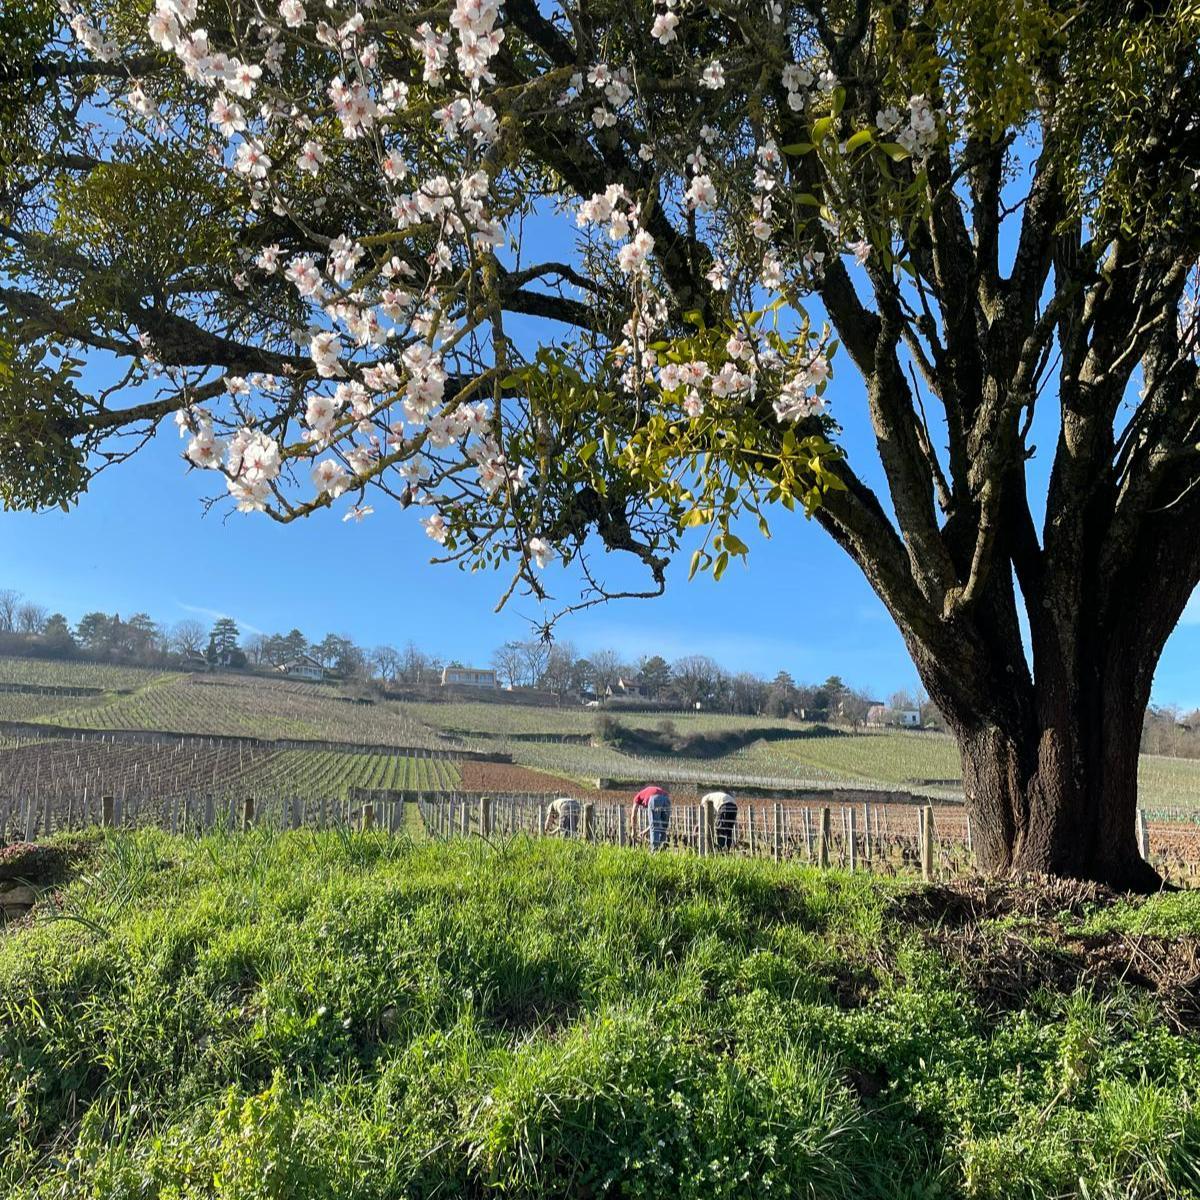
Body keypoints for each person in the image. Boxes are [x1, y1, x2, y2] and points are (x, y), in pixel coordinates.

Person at [631, 784, 671, 851]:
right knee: (662, 827)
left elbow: (633, 816)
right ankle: (662, 851)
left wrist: (633, 831)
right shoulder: (646, 792)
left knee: (655, 829)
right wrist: (644, 832)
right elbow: (656, 822)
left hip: (655, 799)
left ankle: (654, 852)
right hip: (666, 798)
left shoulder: (637, 798)